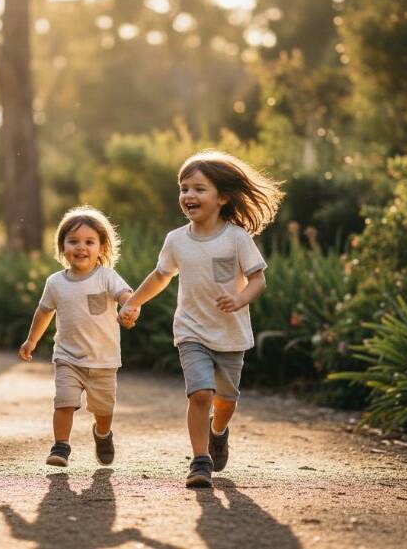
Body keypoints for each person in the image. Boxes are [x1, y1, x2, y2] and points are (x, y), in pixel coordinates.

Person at [118, 149, 283, 488]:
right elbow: (162, 275)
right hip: (191, 332)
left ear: (222, 197)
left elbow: (258, 280)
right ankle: (200, 460)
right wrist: (134, 302)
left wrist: (239, 299)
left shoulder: (237, 238)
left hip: (231, 335)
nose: (188, 195)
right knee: (200, 395)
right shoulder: (176, 240)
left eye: (198, 188)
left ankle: (218, 432)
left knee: (225, 402)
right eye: (183, 188)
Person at [19, 206, 138, 467]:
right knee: (64, 402)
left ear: (102, 248)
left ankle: (103, 434)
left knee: (103, 410)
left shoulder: (107, 277)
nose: (80, 247)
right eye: (73, 241)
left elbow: (124, 294)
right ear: (62, 247)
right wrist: (32, 340)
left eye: (89, 242)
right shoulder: (55, 283)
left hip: (103, 361)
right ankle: (61, 446)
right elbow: (44, 311)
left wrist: (130, 307)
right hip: (67, 358)